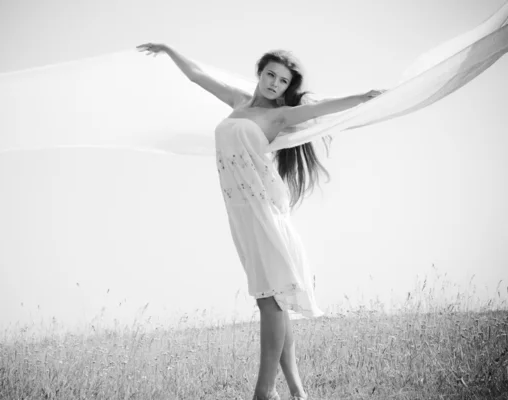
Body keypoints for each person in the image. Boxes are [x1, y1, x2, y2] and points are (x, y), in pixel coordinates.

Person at [137, 43, 383, 400]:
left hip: (263, 208)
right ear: (260, 73)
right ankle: (297, 391)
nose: (274, 84)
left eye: (283, 81)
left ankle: (264, 392)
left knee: (271, 300)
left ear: (287, 88)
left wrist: (362, 97)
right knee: (271, 301)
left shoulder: (278, 117)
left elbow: (320, 109)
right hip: (240, 212)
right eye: (270, 74)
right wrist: (169, 50)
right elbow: (199, 76)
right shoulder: (238, 103)